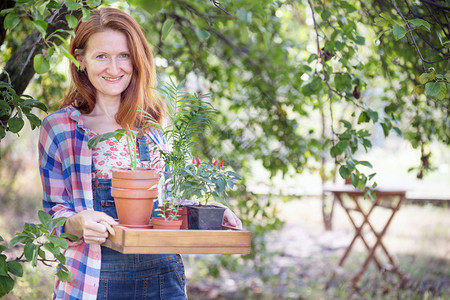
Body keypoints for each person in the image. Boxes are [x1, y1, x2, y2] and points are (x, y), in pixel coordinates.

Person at [38, 7, 242, 299]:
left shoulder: (154, 122)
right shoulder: (59, 128)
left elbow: (169, 200)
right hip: (92, 279)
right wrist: (79, 223)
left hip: (162, 278)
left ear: (136, 59)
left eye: (124, 55)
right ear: (80, 60)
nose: (114, 68)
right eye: (101, 56)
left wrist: (210, 213)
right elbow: (53, 215)